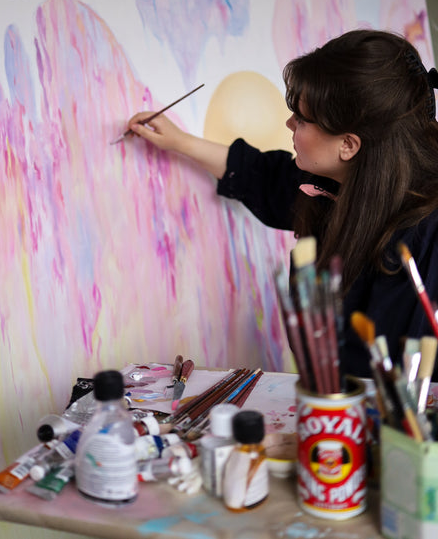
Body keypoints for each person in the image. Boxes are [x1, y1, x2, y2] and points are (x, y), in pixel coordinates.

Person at [126, 29, 438, 379]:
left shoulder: (422, 239)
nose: (289, 123)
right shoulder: (345, 183)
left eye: (302, 119)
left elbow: (381, 377)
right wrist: (180, 141)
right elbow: (267, 179)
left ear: (348, 145)